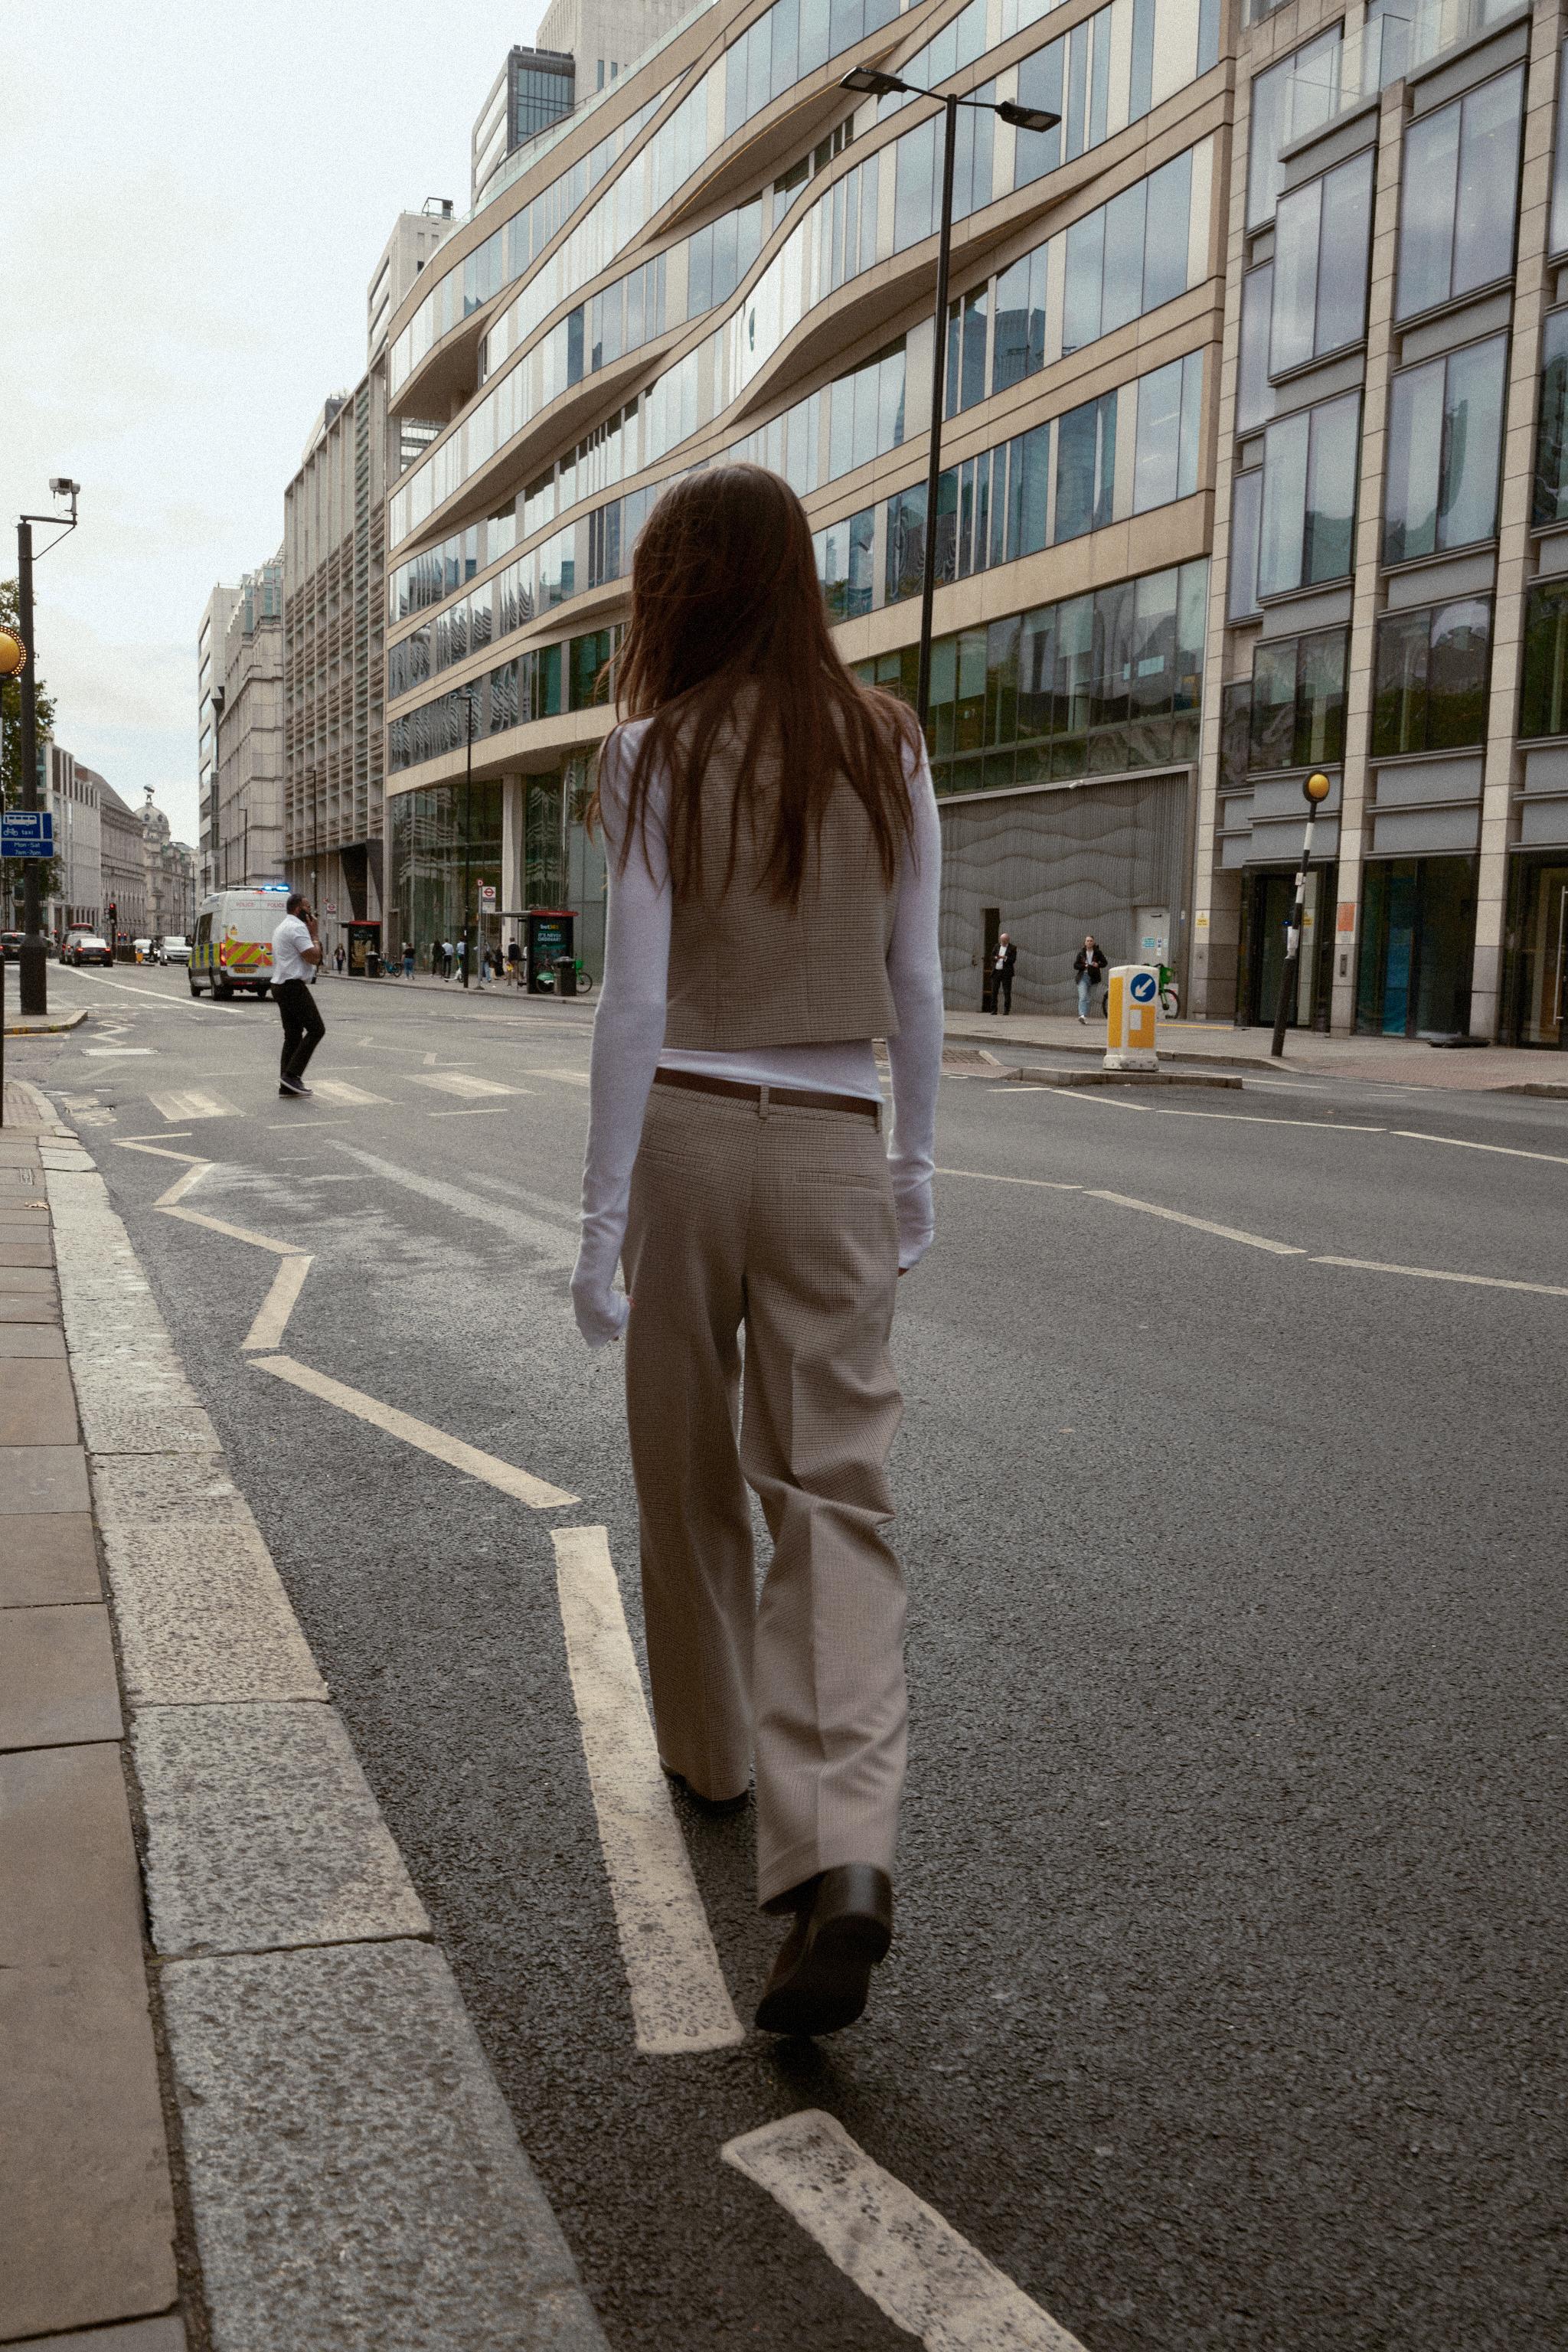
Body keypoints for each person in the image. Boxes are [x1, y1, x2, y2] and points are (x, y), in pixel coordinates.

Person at [572, 465, 942, 2040]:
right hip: (837, 1136)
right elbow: (916, 980)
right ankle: (840, 1849)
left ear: (676, 590)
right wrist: (911, 1167)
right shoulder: (888, 739)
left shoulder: (647, 751)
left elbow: (634, 999)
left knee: (684, 1467)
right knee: (833, 1496)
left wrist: (599, 1219)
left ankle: (714, 1757)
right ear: (799, 578)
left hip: (688, 1130)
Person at [272, 894, 325, 1098]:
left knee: (293, 1035)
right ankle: (292, 1075)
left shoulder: (282, 926)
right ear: (298, 910)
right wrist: (315, 935)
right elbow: (314, 957)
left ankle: (287, 1085)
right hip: (292, 986)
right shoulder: (297, 928)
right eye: (308, 908)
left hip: (280, 985)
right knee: (317, 1029)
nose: (311, 912)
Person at [1073, 933, 1108, 1023]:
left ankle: (1084, 1016)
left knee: (1089, 999)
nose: (1089, 942)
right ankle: (1082, 1015)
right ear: (1085, 943)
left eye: (1091, 941)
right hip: (1083, 977)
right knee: (1083, 996)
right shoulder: (1081, 953)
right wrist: (1084, 966)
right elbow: (1075, 965)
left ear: (1093, 943)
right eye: (1088, 941)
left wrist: (1098, 964)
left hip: (1094, 978)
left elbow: (1105, 963)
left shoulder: (1098, 953)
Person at [991, 929, 1017, 1014]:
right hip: (996, 971)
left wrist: (1005, 958)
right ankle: (993, 1009)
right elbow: (992, 956)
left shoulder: (1013, 948)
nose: (1002, 943)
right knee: (994, 991)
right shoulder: (996, 946)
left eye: (1004, 941)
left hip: (1006, 973)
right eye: (1001, 941)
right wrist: (996, 958)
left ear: (1007, 941)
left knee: (1007, 991)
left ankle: (1006, 1010)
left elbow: (1013, 960)